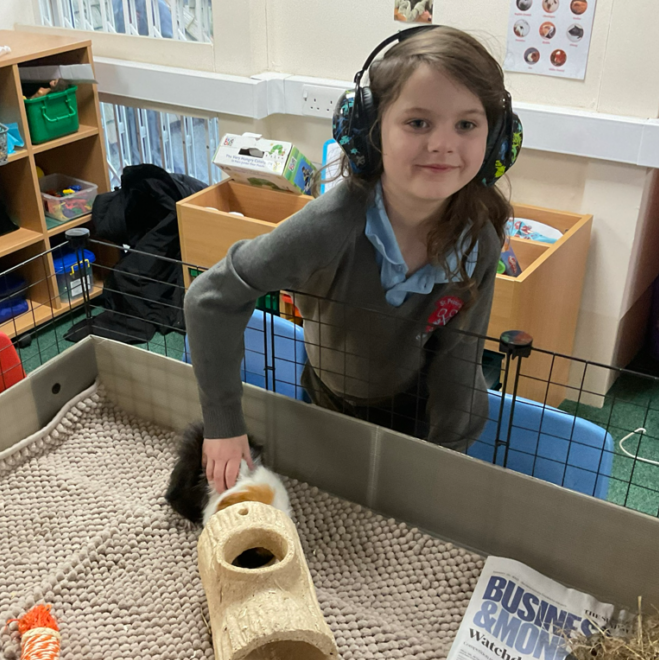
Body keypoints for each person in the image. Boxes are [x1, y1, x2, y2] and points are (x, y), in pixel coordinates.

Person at [185, 26, 523, 491]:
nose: (443, 144)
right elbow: (210, 299)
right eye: (418, 122)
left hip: (417, 413)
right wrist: (223, 424)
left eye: (466, 124)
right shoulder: (329, 226)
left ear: (497, 139)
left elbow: (459, 362)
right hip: (330, 403)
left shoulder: (479, 242)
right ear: (369, 130)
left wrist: (448, 460)